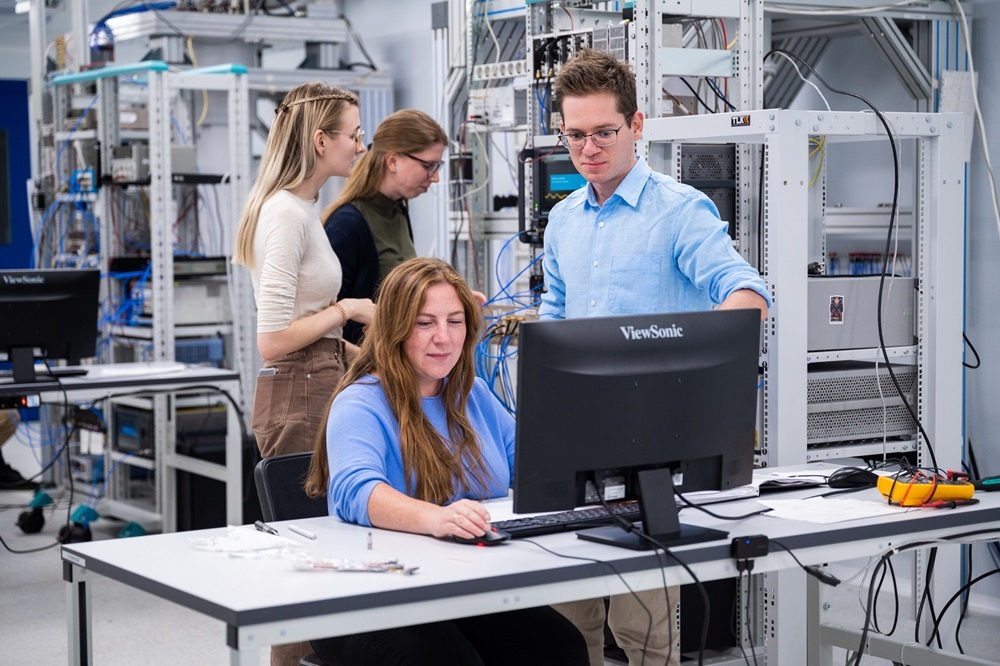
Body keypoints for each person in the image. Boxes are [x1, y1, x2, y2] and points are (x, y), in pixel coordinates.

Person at [540, 49, 772, 666]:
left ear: (636, 125)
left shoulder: (679, 210)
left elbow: (747, 294)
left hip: (652, 444)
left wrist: (692, 372)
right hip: (575, 436)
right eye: (575, 135)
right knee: (564, 624)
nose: (588, 149)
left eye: (604, 132)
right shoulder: (563, 220)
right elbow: (554, 315)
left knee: (643, 630)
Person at [303, 257, 588, 666]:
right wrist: (437, 518)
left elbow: (534, 464)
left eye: (455, 322)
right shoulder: (360, 402)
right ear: (395, 328)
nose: (443, 338)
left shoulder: (472, 394)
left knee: (562, 647)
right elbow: (356, 491)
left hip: (458, 584)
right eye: (425, 323)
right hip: (372, 597)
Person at [233, 82, 376, 666]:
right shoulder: (285, 215)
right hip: (298, 390)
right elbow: (272, 338)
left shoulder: (304, 209)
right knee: (303, 557)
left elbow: (302, 318)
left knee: (320, 553)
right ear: (320, 140)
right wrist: (348, 310)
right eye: (354, 135)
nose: (361, 147)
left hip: (318, 378)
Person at [322, 109, 448, 345]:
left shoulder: (398, 211)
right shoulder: (347, 225)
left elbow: (400, 299)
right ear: (392, 161)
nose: (435, 178)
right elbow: (325, 322)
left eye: (437, 166)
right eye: (429, 166)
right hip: (361, 361)